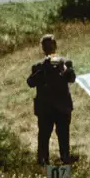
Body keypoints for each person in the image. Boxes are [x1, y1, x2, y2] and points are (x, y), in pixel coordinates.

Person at [27, 34, 77, 165]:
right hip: (46, 108)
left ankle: (65, 161)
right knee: (44, 137)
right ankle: (43, 163)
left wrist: (63, 69)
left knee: (64, 136)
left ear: (55, 45)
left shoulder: (65, 62)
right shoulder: (38, 66)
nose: (48, 48)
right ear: (43, 48)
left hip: (62, 107)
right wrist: (43, 69)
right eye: (46, 46)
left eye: (50, 45)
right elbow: (30, 82)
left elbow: (72, 78)